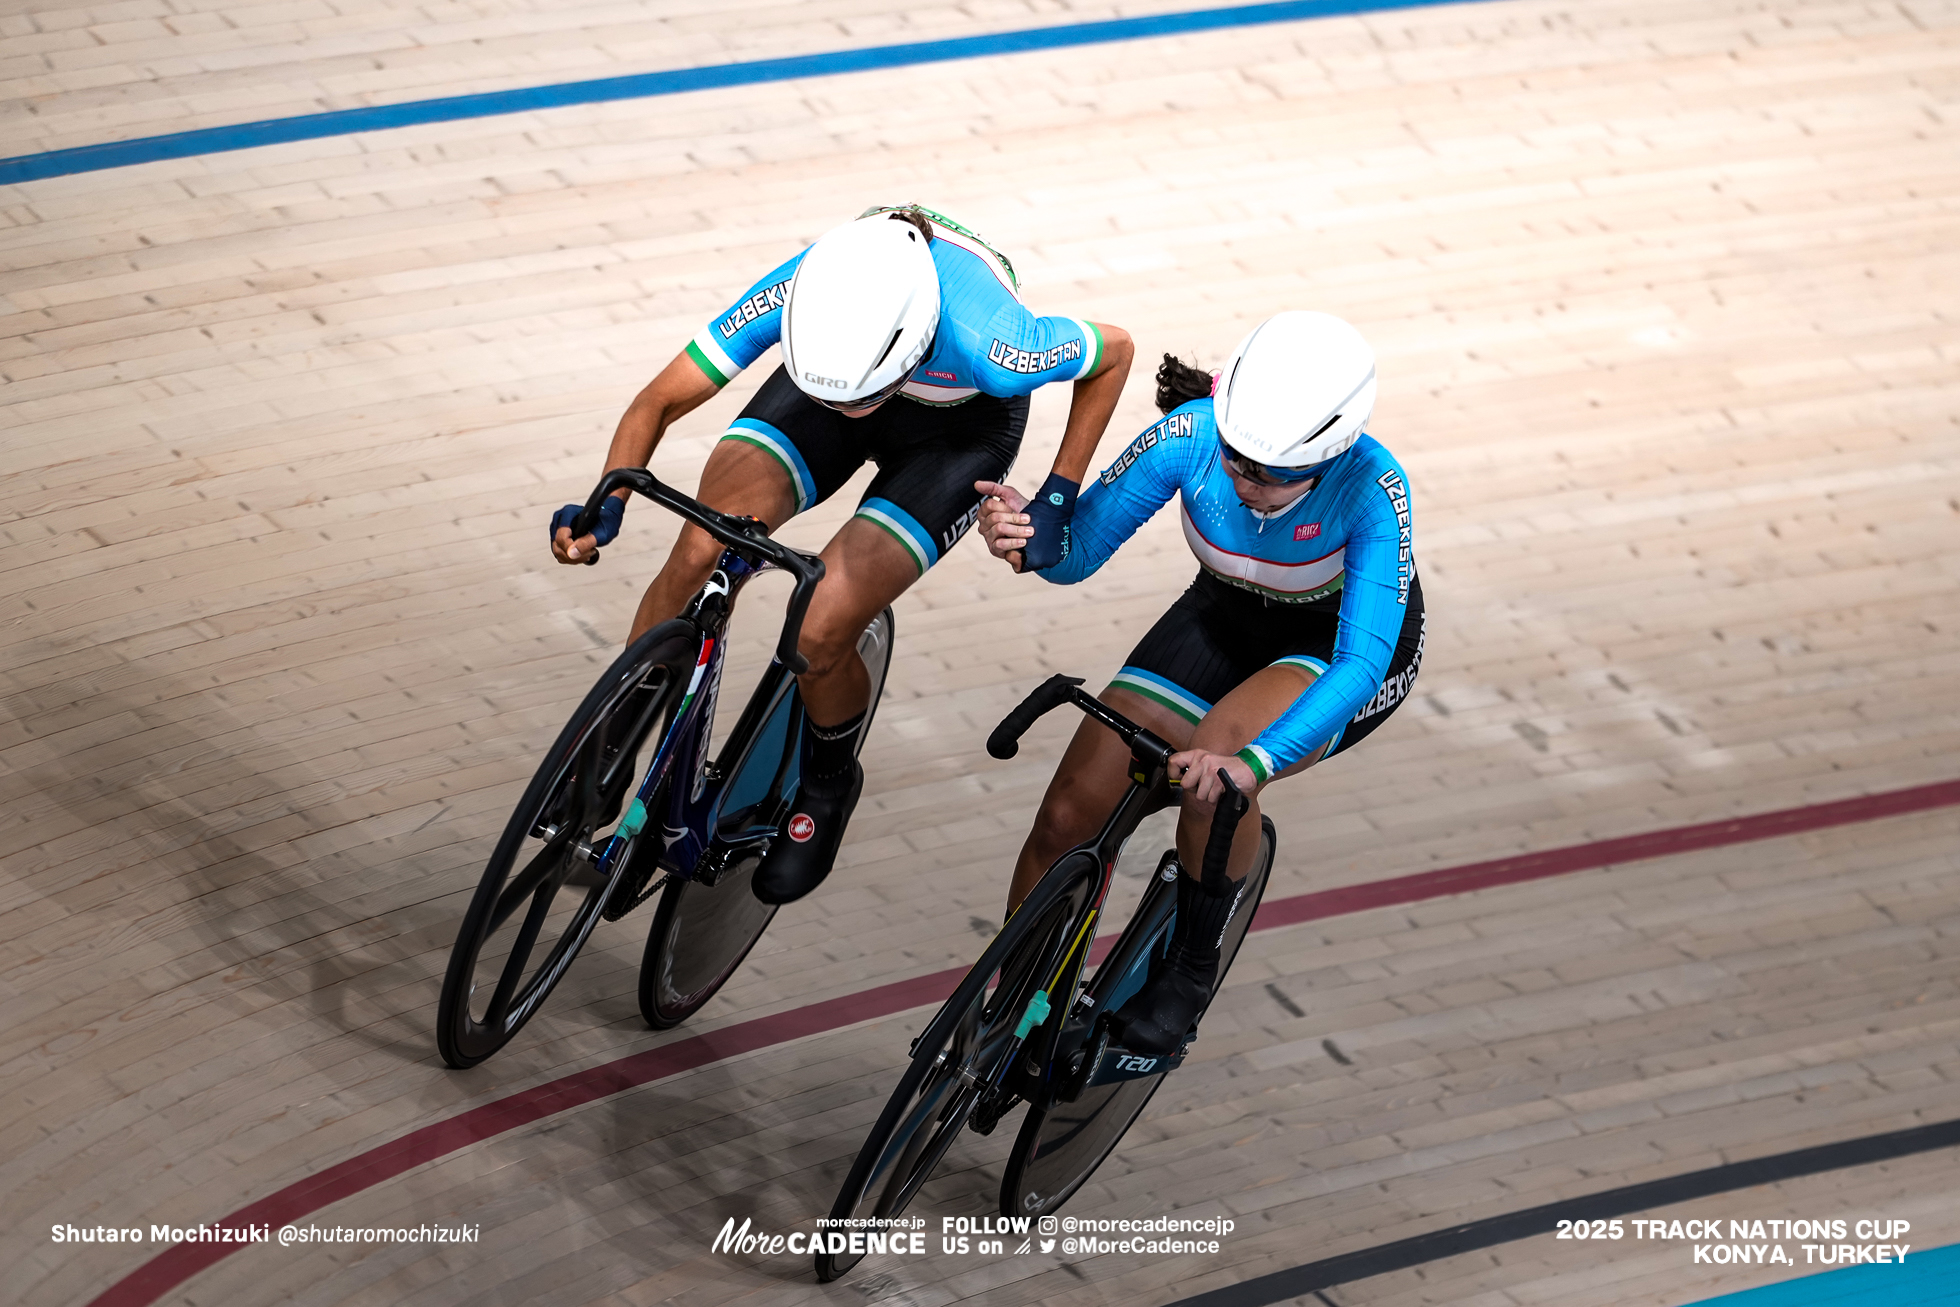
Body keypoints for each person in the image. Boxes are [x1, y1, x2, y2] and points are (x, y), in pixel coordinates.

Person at [551, 206, 1133, 904]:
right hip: (825, 384)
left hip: (956, 433)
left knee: (820, 628)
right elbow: (660, 398)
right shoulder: (802, 286)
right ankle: (618, 728)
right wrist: (607, 497)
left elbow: (1115, 351)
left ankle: (826, 784)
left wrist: (1057, 496)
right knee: (702, 542)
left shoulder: (996, 344)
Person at [976, 310, 1424, 1054]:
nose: (1246, 482)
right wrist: (1028, 538)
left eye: (1273, 477)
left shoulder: (1373, 489)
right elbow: (1079, 549)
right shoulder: (1190, 434)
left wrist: (1253, 764)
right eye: (1239, 460)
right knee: (1066, 816)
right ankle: (1016, 1002)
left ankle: (1188, 962)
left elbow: (1359, 665)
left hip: (1331, 641)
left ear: (1330, 452)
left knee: (1217, 770)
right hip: (1223, 615)